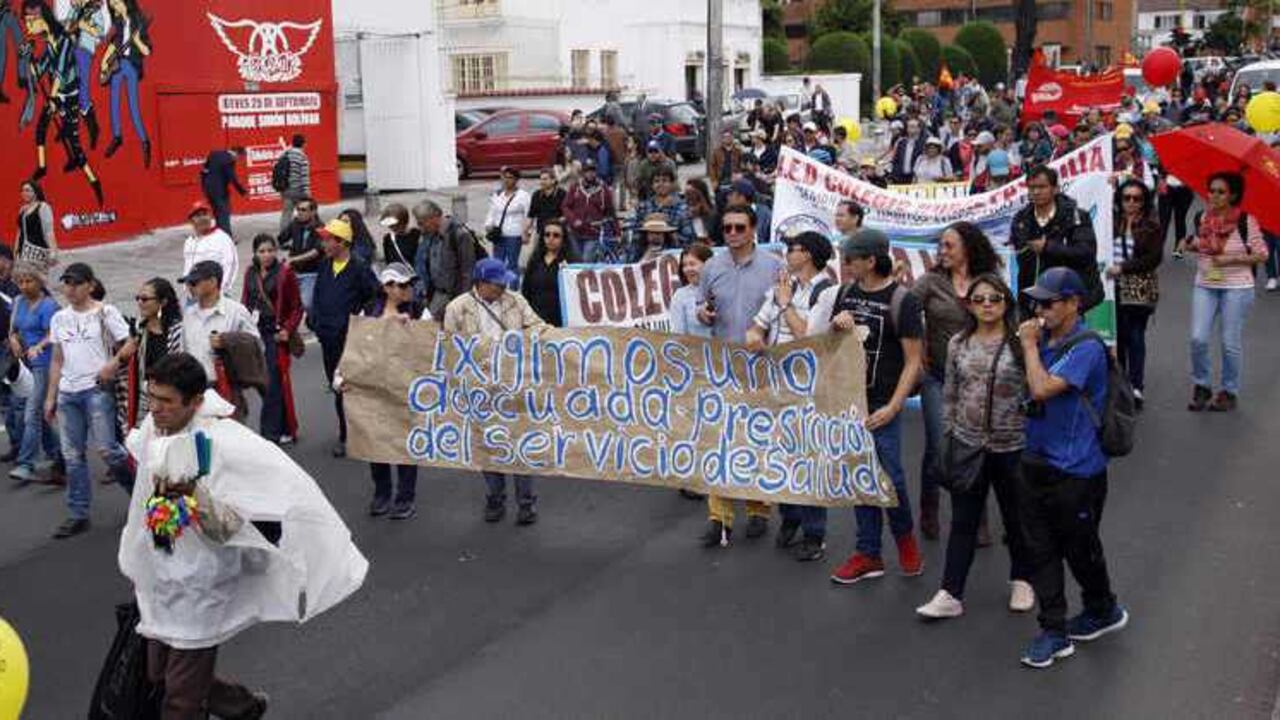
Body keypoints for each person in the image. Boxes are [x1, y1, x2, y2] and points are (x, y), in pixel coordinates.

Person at [121, 353, 367, 720]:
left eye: (166, 401)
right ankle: (241, 706)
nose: (154, 409)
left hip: (200, 583)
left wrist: (193, 495)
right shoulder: (156, 428)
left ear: (196, 402)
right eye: (151, 397)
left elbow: (232, 525)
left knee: (179, 698)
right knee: (157, 673)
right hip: (161, 576)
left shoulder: (223, 444)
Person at [1014, 267, 1127, 669]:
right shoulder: (1041, 338)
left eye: (1049, 302)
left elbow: (1043, 388)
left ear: (1074, 304)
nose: (1040, 309)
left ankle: (1103, 607)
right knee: (1040, 549)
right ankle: (1053, 630)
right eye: (1037, 302)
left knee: (1081, 550)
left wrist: (1028, 347)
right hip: (1035, 459)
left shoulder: (1087, 346)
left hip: (1078, 469)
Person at [809, 229, 925, 584]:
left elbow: (913, 361)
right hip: (850, 403)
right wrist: (835, 326)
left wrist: (893, 407)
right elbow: (831, 347)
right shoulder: (846, 293)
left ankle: (905, 540)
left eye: (850, 259)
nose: (844, 266)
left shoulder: (902, 301)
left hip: (881, 403)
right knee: (859, 476)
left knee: (890, 477)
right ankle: (868, 552)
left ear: (870, 260)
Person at [916, 274, 1035, 620]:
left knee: (1016, 518)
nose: (986, 305)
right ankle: (950, 593)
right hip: (968, 445)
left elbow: (1035, 390)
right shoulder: (958, 343)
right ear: (969, 305)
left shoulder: (1020, 343)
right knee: (964, 521)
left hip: (1013, 446)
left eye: (994, 299)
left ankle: (1023, 579)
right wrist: (950, 434)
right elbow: (950, 393)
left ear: (1005, 304)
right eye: (979, 299)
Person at [695, 205, 783, 546]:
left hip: (761, 367)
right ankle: (719, 519)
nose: (732, 233)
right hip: (722, 365)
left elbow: (784, 311)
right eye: (727, 228)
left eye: (739, 227)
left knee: (756, 440)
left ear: (753, 229)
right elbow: (702, 306)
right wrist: (703, 313)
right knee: (720, 441)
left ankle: (759, 508)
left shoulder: (774, 267)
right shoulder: (712, 266)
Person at [910, 221, 1002, 541]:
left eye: (949, 246)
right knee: (939, 446)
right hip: (938, 379)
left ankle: (976, 519)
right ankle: (929, 509)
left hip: (979, 381)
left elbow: (1007, 321)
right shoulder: (931, 282)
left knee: (976, 448)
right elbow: (905, 309)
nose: (942, 251)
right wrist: (917, 350)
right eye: (940, 246)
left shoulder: (988, 282)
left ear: (968, 248)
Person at [747, 231, 834, 562]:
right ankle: (790, 516)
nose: (787, 253)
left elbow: (807, 336)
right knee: (781, 453)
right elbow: (758, 325)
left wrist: (785, 304)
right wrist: (754, 336)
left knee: (809, 457)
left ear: (808, 254)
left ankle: (815, 532)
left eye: (792, 248)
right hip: (777, 381)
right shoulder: (783, 285)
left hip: (809, 387)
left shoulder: (826, 291)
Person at [442, 258, 550, 525]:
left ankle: (526, 504)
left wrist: (537, 338)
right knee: (489, 446)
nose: (504, 287)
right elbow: (448, 348)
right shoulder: (457, 308)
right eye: (498, 283)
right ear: (481, 284)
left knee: (520, 444)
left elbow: (537, 326)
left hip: (513, 384)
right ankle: (495, 498)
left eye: (504, 283)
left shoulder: (515, 301)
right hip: (479, 389)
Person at [44, 262, 134, 539]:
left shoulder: (105, 312)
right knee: (73, 456)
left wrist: (113, 364)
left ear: (90, 285)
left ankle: (142, 494)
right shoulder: (59, 318)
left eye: (76, 283)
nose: (70, 289)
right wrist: (51, 396)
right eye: (66, 283)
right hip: (68, 392)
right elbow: (57, 358)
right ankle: (78, 513)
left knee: (108, 449)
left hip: (96, 389)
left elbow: (130, 343)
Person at [1177, 172, 1269, 412]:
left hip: (1237, 287)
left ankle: (1229, 390)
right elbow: (1203, 246)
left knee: (1230, 343)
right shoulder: (1202, 217)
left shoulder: (1246, 220)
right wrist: (1190, 244)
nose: (1214, 196)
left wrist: (1230, 259)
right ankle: (1202, 385)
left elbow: (1261, 254)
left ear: (1233, 195)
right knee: (1198, 338)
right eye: (1211, 190)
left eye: (1221, 192)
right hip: (1206, 283)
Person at [310, 220, 378, 457]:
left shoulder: (359, 267)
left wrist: (359, 322)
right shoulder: (325, 266)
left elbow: (374, 298)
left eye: (328, 239)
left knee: (354, 388)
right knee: (337, 387)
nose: (324, 243)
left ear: (342, 242)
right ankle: (346, 432)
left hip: (350, 340)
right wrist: (315, 320)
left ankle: (356, 434)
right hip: (327, 338)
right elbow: (317, 295)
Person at [360, 264, 422, 520]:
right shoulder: (368, 311)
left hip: (405, 386)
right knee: (376, 442)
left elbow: (429, 344)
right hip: (375, 385)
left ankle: (405, 497)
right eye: (403, 285)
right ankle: (382, 492)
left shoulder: (419, 311)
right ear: (387, 288)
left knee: (404, 442)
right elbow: (357, 343)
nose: (409, 290)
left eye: (410, 285)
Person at [1009, 165, 1101, 317]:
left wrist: (1048, 248)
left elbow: (1086, 253)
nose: (1036, 192)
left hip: (1066, 299)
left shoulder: (1075, 216)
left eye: (1042, 187)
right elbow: (1022, 257)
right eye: (1031, 187)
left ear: (1055, 188)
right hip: (1032, 301)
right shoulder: (1021, 220)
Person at [179, 260, 261, 421]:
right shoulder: (188, 314)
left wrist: (228, 341)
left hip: (227, 388)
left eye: (194, 282)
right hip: (196, 392)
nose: (190, 287)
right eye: (188, 283)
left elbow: (257, 346)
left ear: (213, 282)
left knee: (231, 441)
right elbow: (183, 351)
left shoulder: (236, 311)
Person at [1107, 179, 1163, 409]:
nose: (1131, 203)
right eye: (1126, 198)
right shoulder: (1111, 221)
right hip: (1114, 286)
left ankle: (1136, 385)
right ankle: (1120, 384)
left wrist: (1124, 268)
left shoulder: (1151, 225)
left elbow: (1154, 258)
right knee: (1117, 336)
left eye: (1136, 198)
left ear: (1144, 201)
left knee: (1136, 335)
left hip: (1140, 287)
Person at [242, 235, 303, 445]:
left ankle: (270, 434)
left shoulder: (285, 273)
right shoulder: (250, 273)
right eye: (262, 251)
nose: (267, 255)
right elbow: (245, 303)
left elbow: (297, 306)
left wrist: (288, 329)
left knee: (273, 382)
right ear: (255, 253)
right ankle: (286, 426)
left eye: (270, 250)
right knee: (265, 381)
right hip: (254, 333)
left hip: (275, 335)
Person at [7, 262, 63, 485]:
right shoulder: (18, 302)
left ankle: (26, 463)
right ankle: (57, 454)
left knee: (31, 411)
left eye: (28, 281)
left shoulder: (49, 306)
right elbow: (14, 329)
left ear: (39, 282)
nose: (23, 286)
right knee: (38, 414)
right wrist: (13, 340)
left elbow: (54, 334)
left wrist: (39, 345)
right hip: (25, 365)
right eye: (20, 282)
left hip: (45, 363)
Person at [123, 277, 182, 432]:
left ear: (162, 302)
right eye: (138, 299)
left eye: (145, 299)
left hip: (171, 398)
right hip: (145, 398)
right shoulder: (138, 329)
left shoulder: (178, 331)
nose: (140, 303)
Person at [100, 0, 152, 167]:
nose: (115, 6)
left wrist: (136, 41)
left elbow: (147, 51)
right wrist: (104, 63)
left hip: (131, 65)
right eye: (112, 5)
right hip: (117, 64)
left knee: (133, 106)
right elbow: (114, 44)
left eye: (116, 2)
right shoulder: (119, 23)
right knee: (113, 101)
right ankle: (117, 137)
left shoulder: (138, 20)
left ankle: (145, 142)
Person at [413, 200, 479, 321]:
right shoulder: (431, 235)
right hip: (438, 295)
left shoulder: (459, 234)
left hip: (456, 295)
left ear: (433, 218)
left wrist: (463, 301)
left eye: (422, 223)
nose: (420, 228)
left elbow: (468, 271)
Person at [484, 167, 531, 289]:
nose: (506, 180)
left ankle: (514, 289)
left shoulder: (523, 196)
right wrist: (488, 225)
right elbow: (492, 211)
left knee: (512, 264)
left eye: (510, 178)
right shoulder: (498, 194)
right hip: (499, 234)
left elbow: (528, 215)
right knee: (498, 263)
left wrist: (526, 232)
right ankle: (499, 288)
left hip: (514, 234)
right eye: (504, 177)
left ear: (516, 180)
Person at [562, 159, 616, 262]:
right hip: (575, 232)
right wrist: (573, 220)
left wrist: (616, 231)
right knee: (576, 260)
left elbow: (610, 211)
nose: (590, 174)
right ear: (583, 172)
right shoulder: (575, 187)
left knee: (586, 260)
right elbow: (565, 206)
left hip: (592, 232)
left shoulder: (603, 189)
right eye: (587, 171)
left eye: (592, 171)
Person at [183, 201, 240, 298]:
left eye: (205, 214)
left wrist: (220, 292)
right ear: (191, 221)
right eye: (197, 216)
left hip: (216, 296)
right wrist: (186, 289)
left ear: (210, 216)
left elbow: (231, 266)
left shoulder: (222, 238)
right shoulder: (189, 241)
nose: (202, 218)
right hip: (193, 296)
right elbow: (187, 267)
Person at [522, 219, 573, 327]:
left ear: (563, 239)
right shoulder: (535, 261)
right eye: (547, 234)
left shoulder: (571, 262)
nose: (551, 238)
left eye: (556, 235)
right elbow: (526, 290)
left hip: (561, 321)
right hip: (536, 319)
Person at [277, 196, 323, 315]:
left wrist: (294, 259)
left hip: (311, 272)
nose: (299, 213)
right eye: (298, 209)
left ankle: (315, 321)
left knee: (307, 303)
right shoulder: (295, 224)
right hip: (294, 271)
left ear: (313, 211)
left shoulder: (320, 227)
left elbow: (316, 251)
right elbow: (281, 239)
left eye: (303, 210)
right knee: (285, 300)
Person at [668, 242, 713, 338]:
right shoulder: (680, 296)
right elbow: (678, 336)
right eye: (684, 265)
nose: (687, 269)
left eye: (692, 264)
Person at [200, 145, 246, 235]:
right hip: (219, 191)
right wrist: (241, 190)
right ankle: (227, 237)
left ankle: (219, 235)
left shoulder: (214, 154)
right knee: (224, 214)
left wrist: (204, 186)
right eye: (240, 157)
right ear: (237, 153)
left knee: (217, 213)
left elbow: (205, 170)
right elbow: (232, 178)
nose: (238, 159)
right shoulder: (229, 160)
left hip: (208, 189)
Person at [16, 180, 58, 269]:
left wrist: (53, 252)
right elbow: (20, 232)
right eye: (23, 190)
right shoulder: (22, 209)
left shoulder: (43, 207)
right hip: (23, 253)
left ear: (35, 192)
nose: (24, 193)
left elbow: (49, 231)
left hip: (37, 252)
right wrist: (16, 251)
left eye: (28, 190)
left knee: (37, 280)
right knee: (25, 280)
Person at [277, 134, 311, 232]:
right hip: (298, 190)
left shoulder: (285, 154)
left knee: (286, 214)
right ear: (303, 144)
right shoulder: (302, 157)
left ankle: (283, 237)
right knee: (305, 213)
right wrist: (307, 192)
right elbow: (304, 176)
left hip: (285, 189)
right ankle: (306, 236)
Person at [726, 179, 771, 245]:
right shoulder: (728, 215)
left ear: (741, 197)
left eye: (731, 194)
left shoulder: (764, 214)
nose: (728, 197)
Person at [378, 202, 421, 268]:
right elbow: (389, 261)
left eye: (394, 225)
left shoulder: (417, 235)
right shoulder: (388, 239)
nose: (391, 227)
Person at [527, 169, 566, 239]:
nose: (542, 182)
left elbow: (565, 215)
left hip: (557, 233)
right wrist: (526, 231)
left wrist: (554, 224)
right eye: (541, 179)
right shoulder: (536, 195)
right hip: (540, 232)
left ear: (553, 180)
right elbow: (531, 215)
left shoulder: (562, 194)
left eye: (545, 179)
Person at [684, 178, 721, 246]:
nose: (689, 198)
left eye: (693, 194)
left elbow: (720, 239)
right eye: (687, 194)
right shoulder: (682, 214)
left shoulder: (714, 215)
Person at [890, 118, 928, 184]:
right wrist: (895, 173)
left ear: (918, 129)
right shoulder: (901, 142)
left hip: (916, 178)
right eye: (908, 126)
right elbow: (896, 160)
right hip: (900, 177)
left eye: (912, 126)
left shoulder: (924, 144)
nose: (909, 129)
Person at [708, 130, 741, 195]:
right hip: (721, 180)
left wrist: (739, 177)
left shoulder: (738, 151)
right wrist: (714, 180)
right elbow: (712, 167)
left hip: (734, 179)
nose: (727, 138)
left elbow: (741, 165)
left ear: (732, 138)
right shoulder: (716, 152)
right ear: (722, 139)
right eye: (725, 137)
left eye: (729, 136)